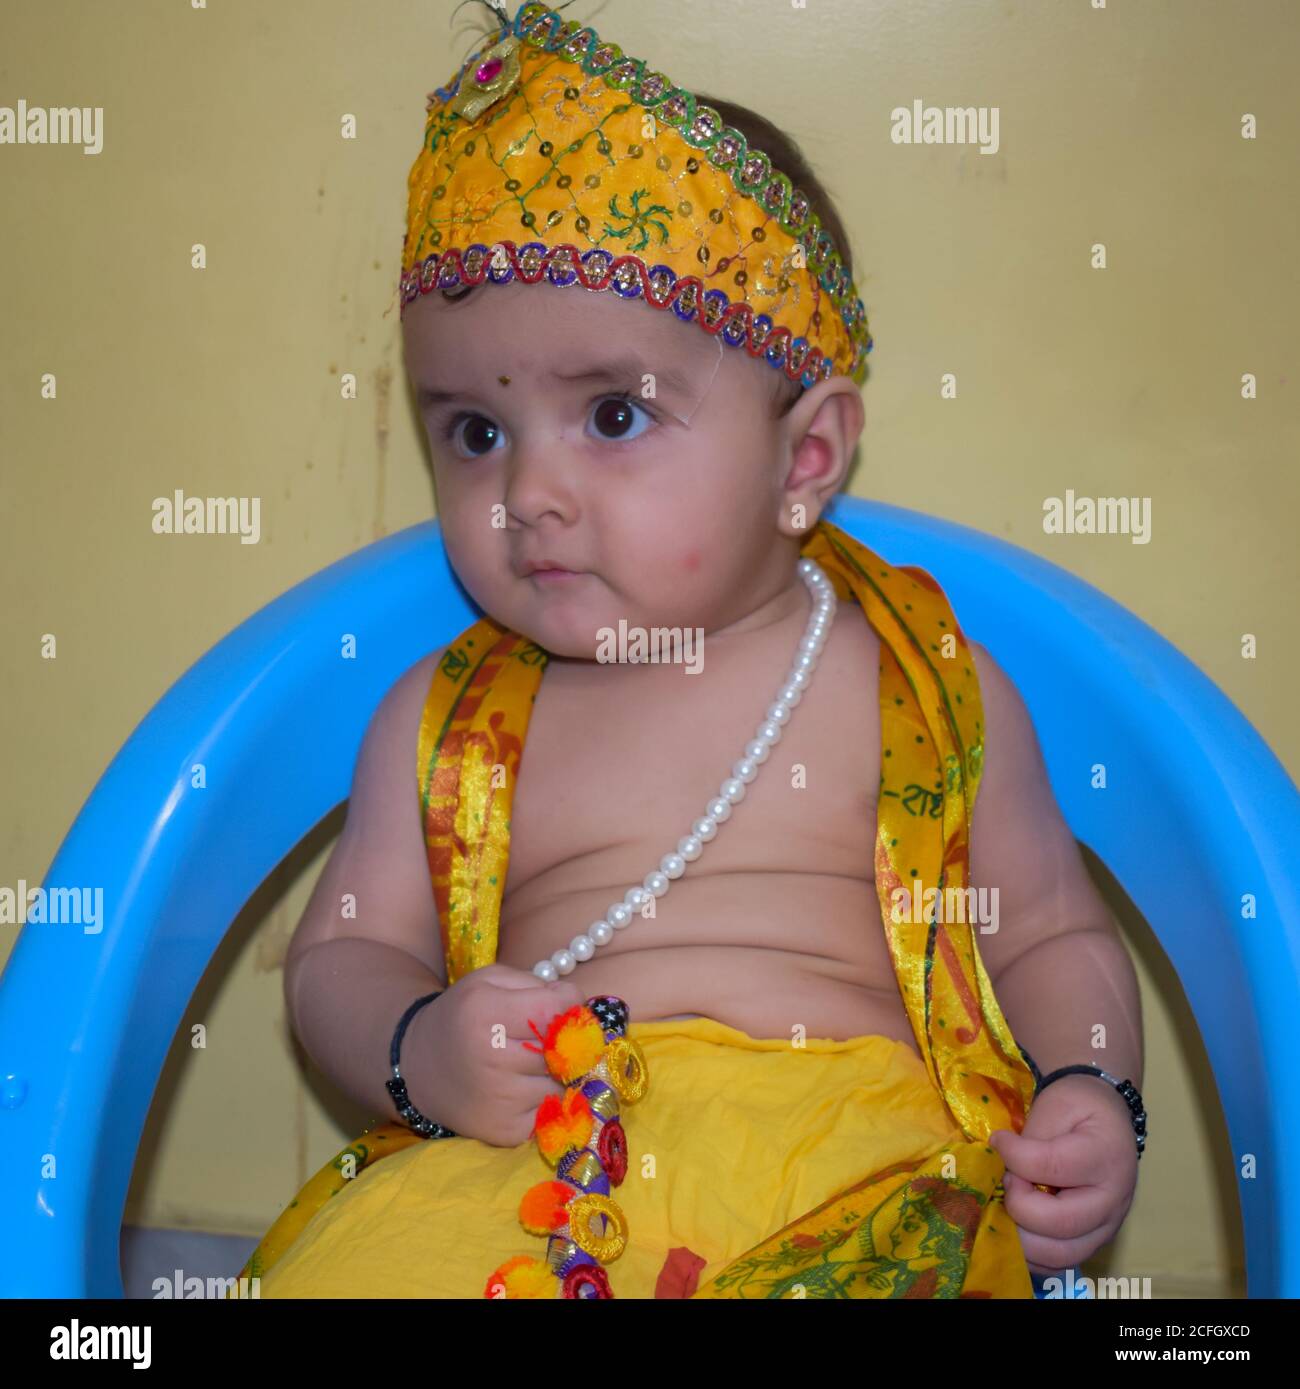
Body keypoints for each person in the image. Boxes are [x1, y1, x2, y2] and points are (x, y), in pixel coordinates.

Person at [244, 1, 1144, 1299]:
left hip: (854, 1169)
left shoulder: (914, 685)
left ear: (807, 455)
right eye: (475, 432)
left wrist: (1093, 1084)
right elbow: (338, 952)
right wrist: (415, 1046)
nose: (532, 491)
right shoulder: (440, 724)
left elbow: (1051, 930)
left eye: (611, 412)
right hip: (535, 1164)